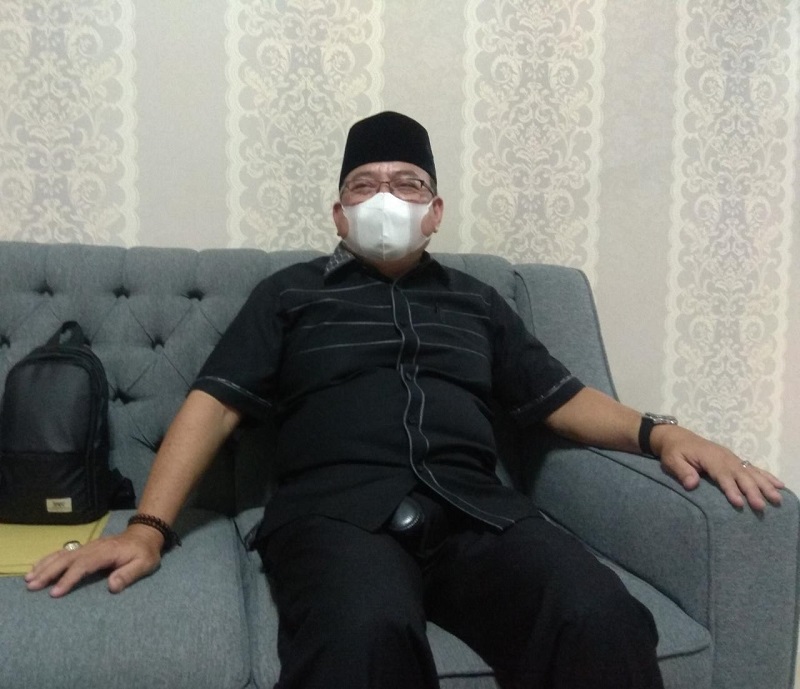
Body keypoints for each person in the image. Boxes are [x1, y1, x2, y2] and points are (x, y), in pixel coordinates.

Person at [25, 111, 784, 689]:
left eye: (408, 184)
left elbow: (560, 399)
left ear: (435, 211)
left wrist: (662, 432)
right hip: (334, 512)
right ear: (338, 214)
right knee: (363, 634)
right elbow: (213, 404)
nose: (386, 197)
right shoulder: (289, 295)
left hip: (478, 513)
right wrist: (149, 528)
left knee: (600, 616)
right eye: (364, 185)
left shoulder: (479, 302)